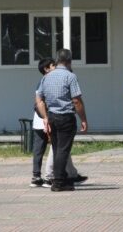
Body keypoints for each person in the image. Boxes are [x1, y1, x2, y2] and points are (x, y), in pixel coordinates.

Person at [35, 48, 88, 192]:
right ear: (69, 61)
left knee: (57, 148)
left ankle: (61, 178)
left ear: (57, 60)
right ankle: (58, 182)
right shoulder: (70, 76)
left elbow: (39, 100)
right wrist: (83, 118)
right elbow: (76, 100)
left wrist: (45, 117)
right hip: (66, 117)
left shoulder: (46, 77)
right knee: (63, 150)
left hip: (52, 116)